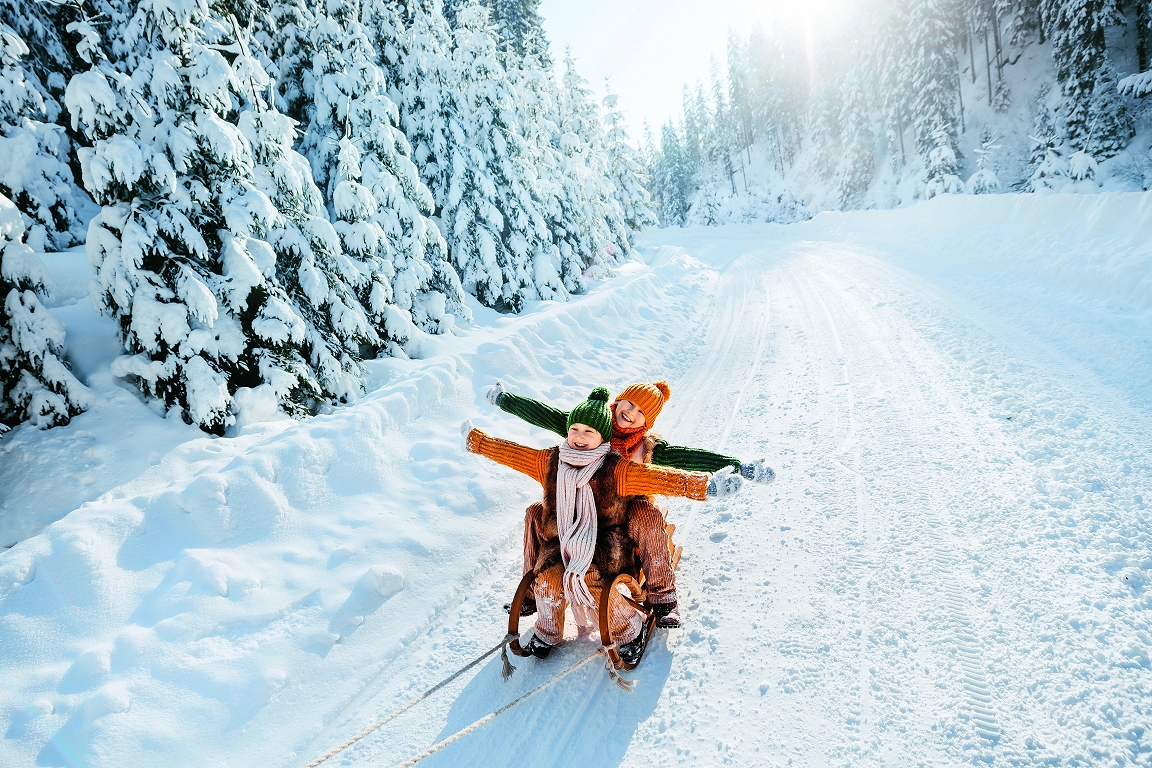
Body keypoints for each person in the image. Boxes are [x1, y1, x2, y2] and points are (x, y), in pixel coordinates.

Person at [462, 387, 743, 662]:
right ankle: (543, 617)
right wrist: (486, 424)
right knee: (539, 531)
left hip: (616, 526)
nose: (630, 413)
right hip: (570, 528)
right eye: (574, 430)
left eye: (640, 411)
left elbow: (666, 475)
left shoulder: (626, 461)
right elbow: (520, 440)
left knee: (641, 517)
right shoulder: (564, 448)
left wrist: (713, 483)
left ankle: (656, 600)